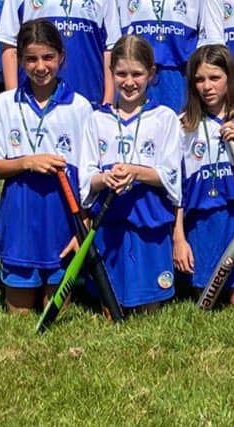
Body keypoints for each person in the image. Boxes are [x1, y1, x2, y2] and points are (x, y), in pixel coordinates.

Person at [0, 20, 97, 314]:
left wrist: (83, 222)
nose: (40, 66)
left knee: (55, 313)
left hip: (61, 220)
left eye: (48, 57)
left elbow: (88, 171)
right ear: (19, 60)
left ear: (62, 57)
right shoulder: (4, 105)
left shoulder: (80, 107)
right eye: (31, 59)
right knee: (19, 316)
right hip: (20, 220)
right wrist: (27, 162)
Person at [85, 35, 183, 312]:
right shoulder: (97, 119)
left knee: (149, 308)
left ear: (151, 74)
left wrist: (136, 172)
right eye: (121, 74)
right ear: (112, 73)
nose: (129, 82)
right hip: (110, 222)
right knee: (110, 307)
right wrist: (105, 179)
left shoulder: (164, 118)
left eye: (137, 74)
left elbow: (171, 176)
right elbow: (86, 177)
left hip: (149, 221)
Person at [174, 45, 234, 309]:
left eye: (214, 78)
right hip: (201, 226)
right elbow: (177, 191)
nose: (207, 86)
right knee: (207, 307)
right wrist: (179, 238)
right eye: (199, 79)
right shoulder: (183, 126)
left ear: (229, 78)